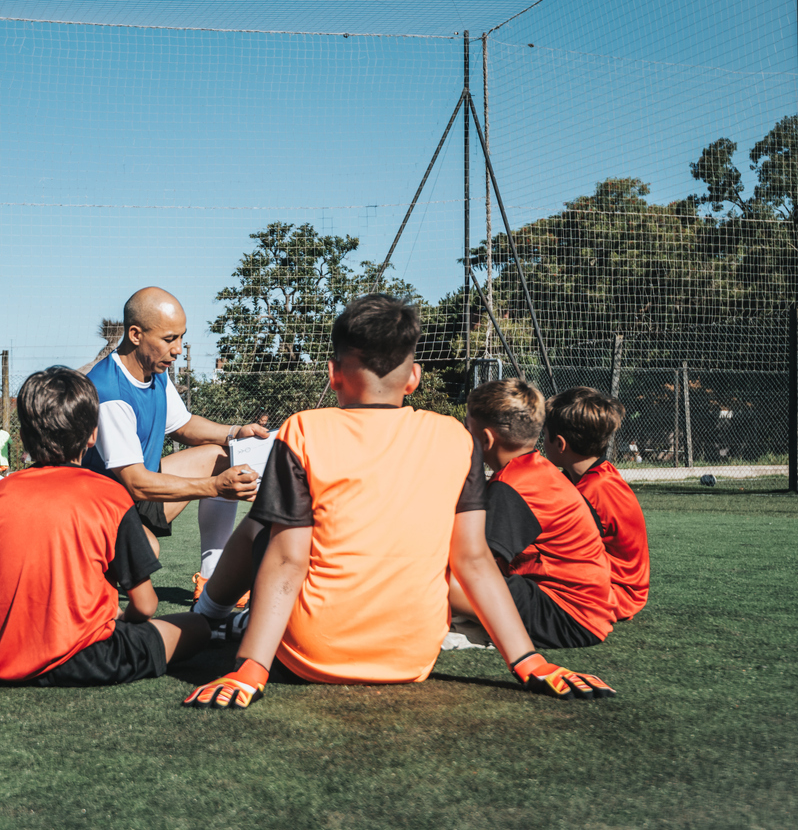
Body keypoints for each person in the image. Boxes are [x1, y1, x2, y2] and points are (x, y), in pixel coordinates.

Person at [183, 295, 615, 708]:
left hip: (312, 657)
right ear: (414, 377)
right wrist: (529, 661)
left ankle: (214, 615)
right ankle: (226, 617)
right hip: (412, 660)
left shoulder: (303, 429)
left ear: (333, 373)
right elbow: (474, 561)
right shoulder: (455, 438)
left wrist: (251, 667)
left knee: (264, 525)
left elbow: (287, 560)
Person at [0, 366, 209, 686]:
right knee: (197, 628)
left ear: (25, 437)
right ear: (92, 435)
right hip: (90, 658)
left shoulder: (1, 493)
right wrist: (120, 618)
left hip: (1, 658)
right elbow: (145, 605)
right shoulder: (111, 496)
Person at [83, 287, 268, 607]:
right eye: (170, 339)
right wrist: (213, 487)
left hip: (133, 499)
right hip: (103, 513)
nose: (179, 349)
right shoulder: (109, 390)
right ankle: (92, 569)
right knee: (147, 549)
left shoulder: (154, 372)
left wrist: (236, 432)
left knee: (224, 458)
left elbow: (181, 425)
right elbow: (136, 482)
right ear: (136, 334)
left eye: (181, 337)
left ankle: (212, 578)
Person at [449, 378, 616, 649]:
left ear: (486, 438)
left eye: (468, 427)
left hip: (568, 618)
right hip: (585, 611)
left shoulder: (512, 486)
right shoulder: (535, 470)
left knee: (443, 581)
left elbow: (472, 564)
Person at [544, 387, 649, 621]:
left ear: (560, 444)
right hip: (615, 590)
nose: (542, 442)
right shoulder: (598, 474)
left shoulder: (594, 491)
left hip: (614, 596)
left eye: (545, 435)